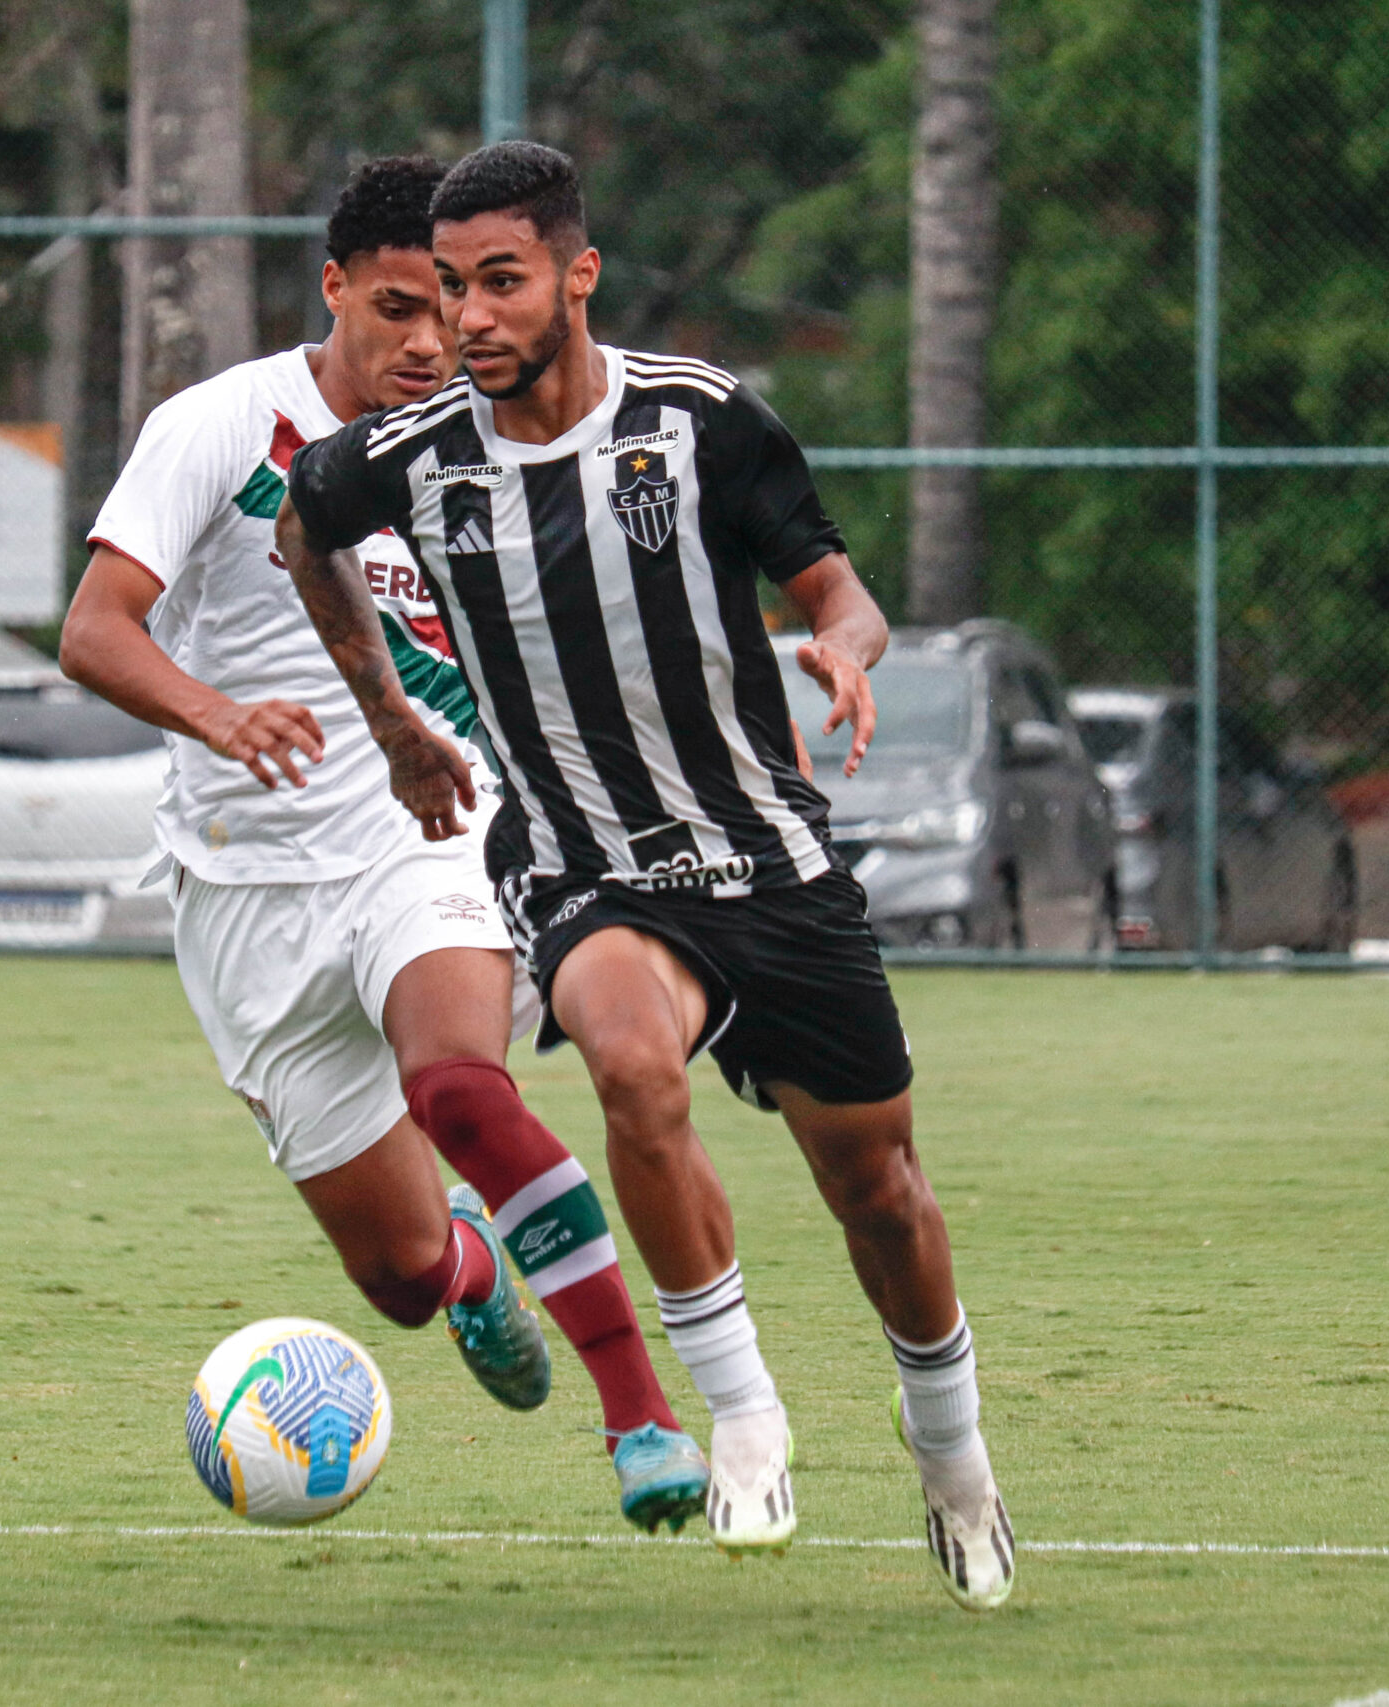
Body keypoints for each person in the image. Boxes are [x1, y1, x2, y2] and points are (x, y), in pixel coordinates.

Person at [277, 141, 1013, 1608]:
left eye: (502, 283)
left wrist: (843, 657)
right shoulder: (409, 458)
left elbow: (841, 593)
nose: (469, 319)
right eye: (445, 290)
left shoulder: (704, 423)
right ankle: (738, 1411)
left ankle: (952, 1454)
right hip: (583, 866)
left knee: (880, 1192)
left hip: (770, 862)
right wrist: (392, 723)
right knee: (626, 1064)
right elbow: (308, 531)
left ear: (575, 275)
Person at [59, 154, 708, 1532]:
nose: (434, 340)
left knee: (457, 1081)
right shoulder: (220, 426)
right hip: (245, 893)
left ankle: (641, 1417)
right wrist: (219, 715)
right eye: (404, 307)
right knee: (402, 1278)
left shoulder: (497, 436)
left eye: (460, 304)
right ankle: (475, 1272)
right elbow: (94, 629)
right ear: (338, 287)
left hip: (436, 838)